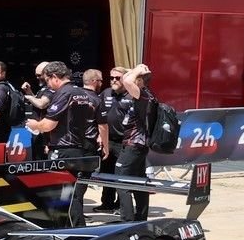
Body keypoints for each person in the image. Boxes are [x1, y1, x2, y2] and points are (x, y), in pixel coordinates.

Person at [25, 62, 96, 227]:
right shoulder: (82, 93)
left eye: (47, 80)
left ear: (54, 77)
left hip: (63, 150)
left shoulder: (63, 93)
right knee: (71, 194)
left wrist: (35, 125)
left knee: (62, 194)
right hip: (79, 148)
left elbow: (48, 125)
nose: (47, 84)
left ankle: (77, 231)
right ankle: (74, 230)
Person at [114, 64, 159, 223]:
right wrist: (135, 70)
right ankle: (141, 218)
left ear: (139, 80)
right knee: (139, 182)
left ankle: (127, 221)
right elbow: (127, 79)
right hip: (139, 145)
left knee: (121, 182)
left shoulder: (142, 95)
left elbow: (126, 81)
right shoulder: (148, 95)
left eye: (136, 78)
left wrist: (137, 70)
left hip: (133, 144)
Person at [95, 67, 128, 212]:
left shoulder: (131, 95)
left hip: (125, 142)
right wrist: (99, 135)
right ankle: (106, 203)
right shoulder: (106, 93)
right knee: (106, 173)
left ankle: (122, 205)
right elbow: (98, 115)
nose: (114, 80)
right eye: (111, 78)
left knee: (122, 174)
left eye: (117, 78)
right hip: (107, 140)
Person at [22, 61, 54, 161]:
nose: (37, 77)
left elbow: (42, 104)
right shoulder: (43, 89)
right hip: (38, 132)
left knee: (42, 163)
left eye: (39, 75)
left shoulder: (52, 89)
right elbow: (37, 102)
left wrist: (27, 97)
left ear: (47, 74)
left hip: (47, 133)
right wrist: (29, 92)